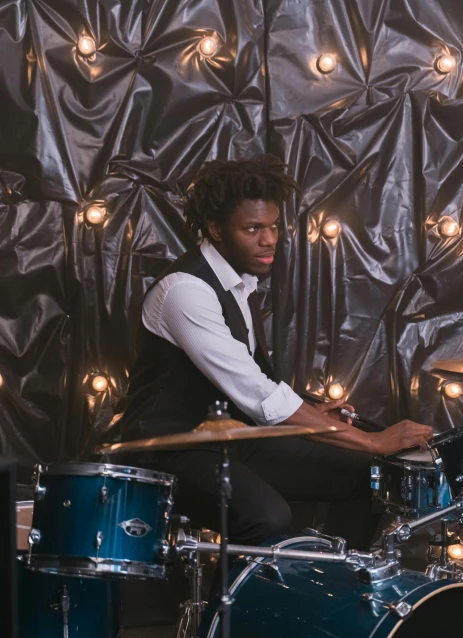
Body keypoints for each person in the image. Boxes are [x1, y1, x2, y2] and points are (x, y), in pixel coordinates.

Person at [119, 156, 432, 550]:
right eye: (252, 229)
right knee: (267, 516)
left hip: (232, 437)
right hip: (169, 451)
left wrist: (310, 416)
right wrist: (373, 441)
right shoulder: (186, 291)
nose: (269, 240)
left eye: (272, 227)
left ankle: (332, 592)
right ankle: (224, 613)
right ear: (215, 229)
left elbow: (253, 387)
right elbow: (259, 394)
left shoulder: (239, 281)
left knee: (367, 476)